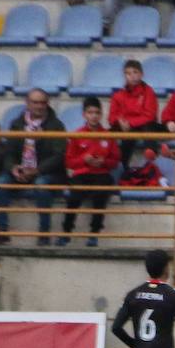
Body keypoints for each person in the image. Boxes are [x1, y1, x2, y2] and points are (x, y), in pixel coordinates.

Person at [0, 88, 66, 245]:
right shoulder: (17, 124)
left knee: (41, 186)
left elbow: (58, 156)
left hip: (45, 173)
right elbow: (8, 152)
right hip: (20, 171)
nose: (39, 106)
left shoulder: (56, 126)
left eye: (42, 103)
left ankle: (44, 233)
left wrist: (37, 170)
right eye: (35, 102)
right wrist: (13, 167)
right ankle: (1, 231)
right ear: (27, 103)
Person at [60, 96, 120, 247]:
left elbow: (115, 161)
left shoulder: (108, 135)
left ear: (101, 115)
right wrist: (84, 160)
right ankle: (66, 233)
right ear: (84, 114)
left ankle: (94, 233)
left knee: (101, 194)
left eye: (97, 112)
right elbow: (69, 162)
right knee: (74, 197)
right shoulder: (77, 135)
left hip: (101, 174)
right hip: (82, 174)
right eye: (90, 112)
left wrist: (103, 162)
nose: (93, 116)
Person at [109, 58, 161, 165]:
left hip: (141, 125)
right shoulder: (118, 95)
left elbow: (150, 115)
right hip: (126, 126)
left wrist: (130, 123)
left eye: (135, 72)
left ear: (141, 74)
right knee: (108, 133)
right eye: (128, 73)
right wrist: (120, 121)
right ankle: (116, 163)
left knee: (148, 125)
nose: (132, 76)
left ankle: (151, 151)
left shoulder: (148, 91)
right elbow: (112, 117)